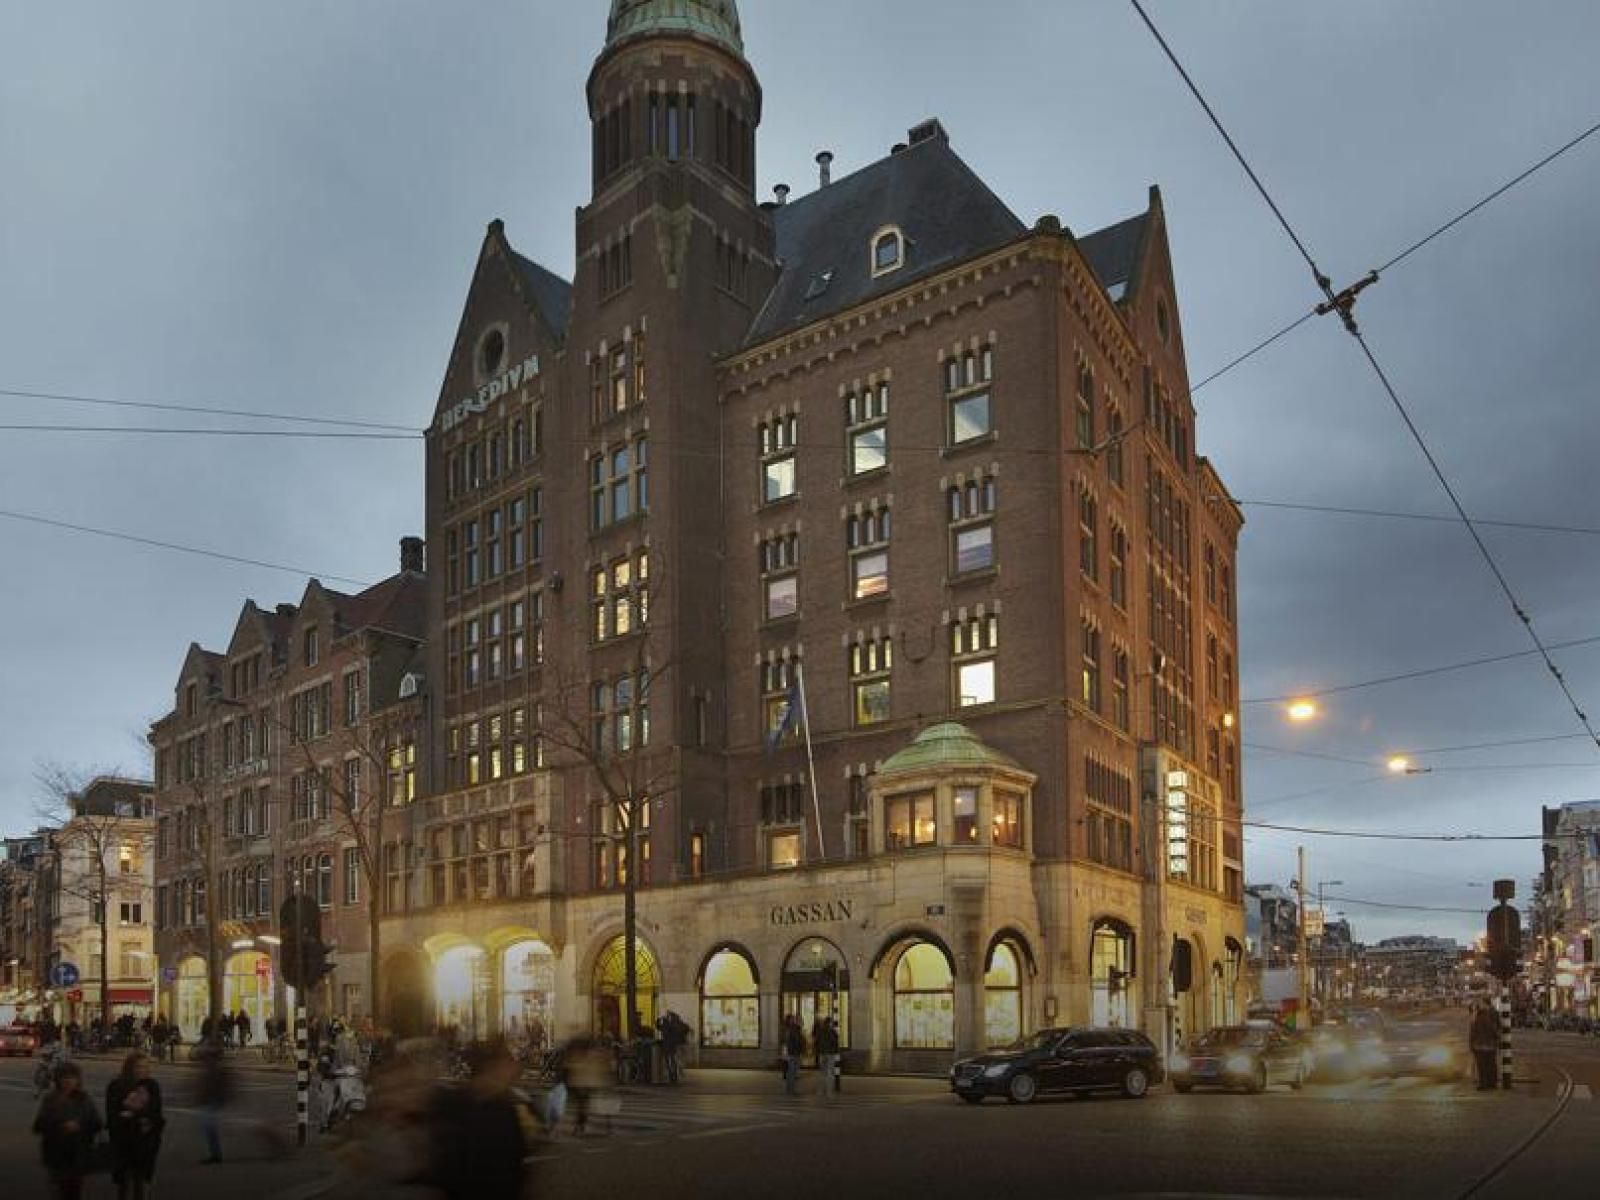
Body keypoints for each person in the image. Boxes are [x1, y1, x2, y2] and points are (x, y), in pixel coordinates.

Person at [424, 1041, 531, 1199]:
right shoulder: (455, 1105)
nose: (514, 1069)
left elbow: (516, 1160)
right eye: (507, 1064)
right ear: (491, 1068)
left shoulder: (507, 1107)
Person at [33, 1060, 103, 1200]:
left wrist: (80, 1126)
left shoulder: (84, 1099)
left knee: (74, 1192)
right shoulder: (50, 1099)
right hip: (55, 1154)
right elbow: (39, 1125)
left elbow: (97, 1123)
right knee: (57, 1191)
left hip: (77, 1154)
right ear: (58, 1079)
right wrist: (60, 1126)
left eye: (72, 1078)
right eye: (64, 1078)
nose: (68, 1082)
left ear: (78, 1080)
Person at [106, 1051, 165, 1200]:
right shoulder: (117, 1086)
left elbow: (156, 1112)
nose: (142, 1070)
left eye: (146, 1067)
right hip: (123, 1141)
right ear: (130, 1068)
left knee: (142, 1182)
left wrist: (135, 1115)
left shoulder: (152, 1086)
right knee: (125, 1183)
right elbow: (113, 1113)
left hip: (146, 1142)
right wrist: (138, 1116)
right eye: (139, 1067)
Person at [194, 1036, 232, 1163]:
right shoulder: (210, 1060)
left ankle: (216, 1155)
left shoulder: (214, 1062)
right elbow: (193, 1055)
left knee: (209, 1125)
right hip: (210, 1099)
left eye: (207, 1045)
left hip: (213, 1099)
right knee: (209, 1126)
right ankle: (215, 1154)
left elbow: (216, 1082)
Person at [1470, 999, 1500, 1091]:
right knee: (1491, 1065)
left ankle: (1484, 1084)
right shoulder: (1488, 1017)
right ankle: (1492, 1083)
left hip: (1480, 1046)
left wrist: (1471, 1045)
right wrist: (1496, 1039)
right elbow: (1494, 1030)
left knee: (1482, 1066)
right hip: (1490, 1046)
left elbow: (1473, 1034)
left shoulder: (1478, 1019)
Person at [814, 1016, 841, 1099]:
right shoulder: (832, 1032)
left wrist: (818, 1052)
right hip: (830, 1054)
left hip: (822, 1054)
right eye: (832, 1022)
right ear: (830, 1023)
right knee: (830, 1074)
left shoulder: (820, 1031)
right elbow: (835, 1043)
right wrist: (836, 1052)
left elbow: (816, 1043)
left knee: (822, 1073)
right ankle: (829, 1092)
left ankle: (820, 1091)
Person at [781, 1014, 805, 1096]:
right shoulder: (792, 1030)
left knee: (792, 1072)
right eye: (793, 1019)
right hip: (793, 1054)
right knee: (792, 1072)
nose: (802, 1022)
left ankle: (791, 1089)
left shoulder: (794, 1029)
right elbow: (792, 1043)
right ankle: (790, 1090)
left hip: (794, 1053)